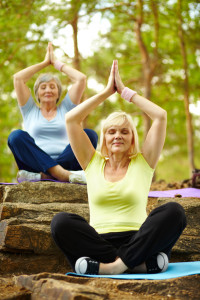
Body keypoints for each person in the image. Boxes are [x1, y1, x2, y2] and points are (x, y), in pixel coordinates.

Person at [51, 60, 186, 275]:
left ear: (132, 137)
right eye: (111, 131)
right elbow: (71, 119)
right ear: (104, 137)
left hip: (139, 239)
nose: (117, 136)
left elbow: (160, 116)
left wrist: (124, 92)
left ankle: (112, 268)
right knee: (60, 222)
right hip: (99, 243)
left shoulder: (144, 162)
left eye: (124, 131)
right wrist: (106, 92)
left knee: (174, 211)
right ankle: (137, 265)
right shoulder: (91, 162)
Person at [8, 42, 98, 184]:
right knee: (15, 136)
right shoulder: (29, 109)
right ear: (37, 93)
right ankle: (61, 174)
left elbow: (81, 79)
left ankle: (47, 175)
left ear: (58, 93)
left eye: (52, 87)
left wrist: (56, 63)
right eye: (43, 87)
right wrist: (45, 63)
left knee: (89, 134)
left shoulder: (67, 108)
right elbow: (18, 79)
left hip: (66, 162)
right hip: (34, 165)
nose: (48, 90)